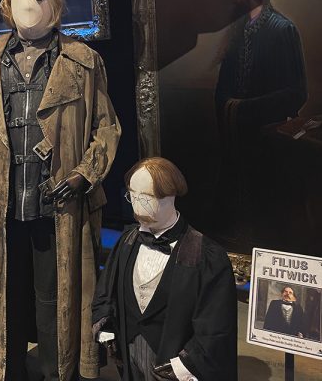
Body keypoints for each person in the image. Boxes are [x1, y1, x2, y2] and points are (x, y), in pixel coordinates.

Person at [0, 0, 121, 380]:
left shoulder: (83, 61)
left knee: (54, 302)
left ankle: (58, 372)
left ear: (55, 5)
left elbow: (106, 129)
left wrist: (83, 174)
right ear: (7, 3)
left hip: (57, 206)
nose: (32, 0)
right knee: (3, 298)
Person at [92, 157, 237, 381]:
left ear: (170, 196)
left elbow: (217, 324)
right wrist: (105, 325)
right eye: (132, 195)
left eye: (146, 198)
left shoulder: (206, 256)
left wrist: (187, 363)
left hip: (174, 364)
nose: (137, 205)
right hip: (129, 354)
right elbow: (106, 290)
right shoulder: (127, 242)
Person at [214, 0, 307, 239]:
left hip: (268, 148)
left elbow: (297, 93)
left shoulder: (283, 29)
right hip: (236, 143)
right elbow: (222, 91)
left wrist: (243, 108)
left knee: (269, 222)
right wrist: (229, 107)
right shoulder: (237, 31)